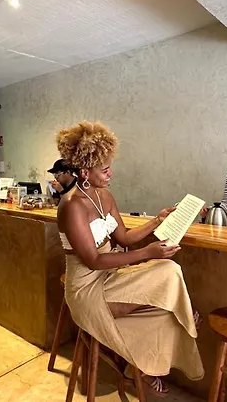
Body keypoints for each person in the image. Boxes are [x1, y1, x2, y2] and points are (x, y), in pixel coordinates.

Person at [57, 121, 204, 397]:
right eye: (105, 169)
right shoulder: (72, 206)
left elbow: (123, 237)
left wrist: (157, 220)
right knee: (168, 272)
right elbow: (93, 261)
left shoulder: (105, 196)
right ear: (85, 172)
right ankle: (186, 316)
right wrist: (147, 252)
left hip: (110, 278)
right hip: (87, 290)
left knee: (167, 287)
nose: (110, 173)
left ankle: (136, 370)